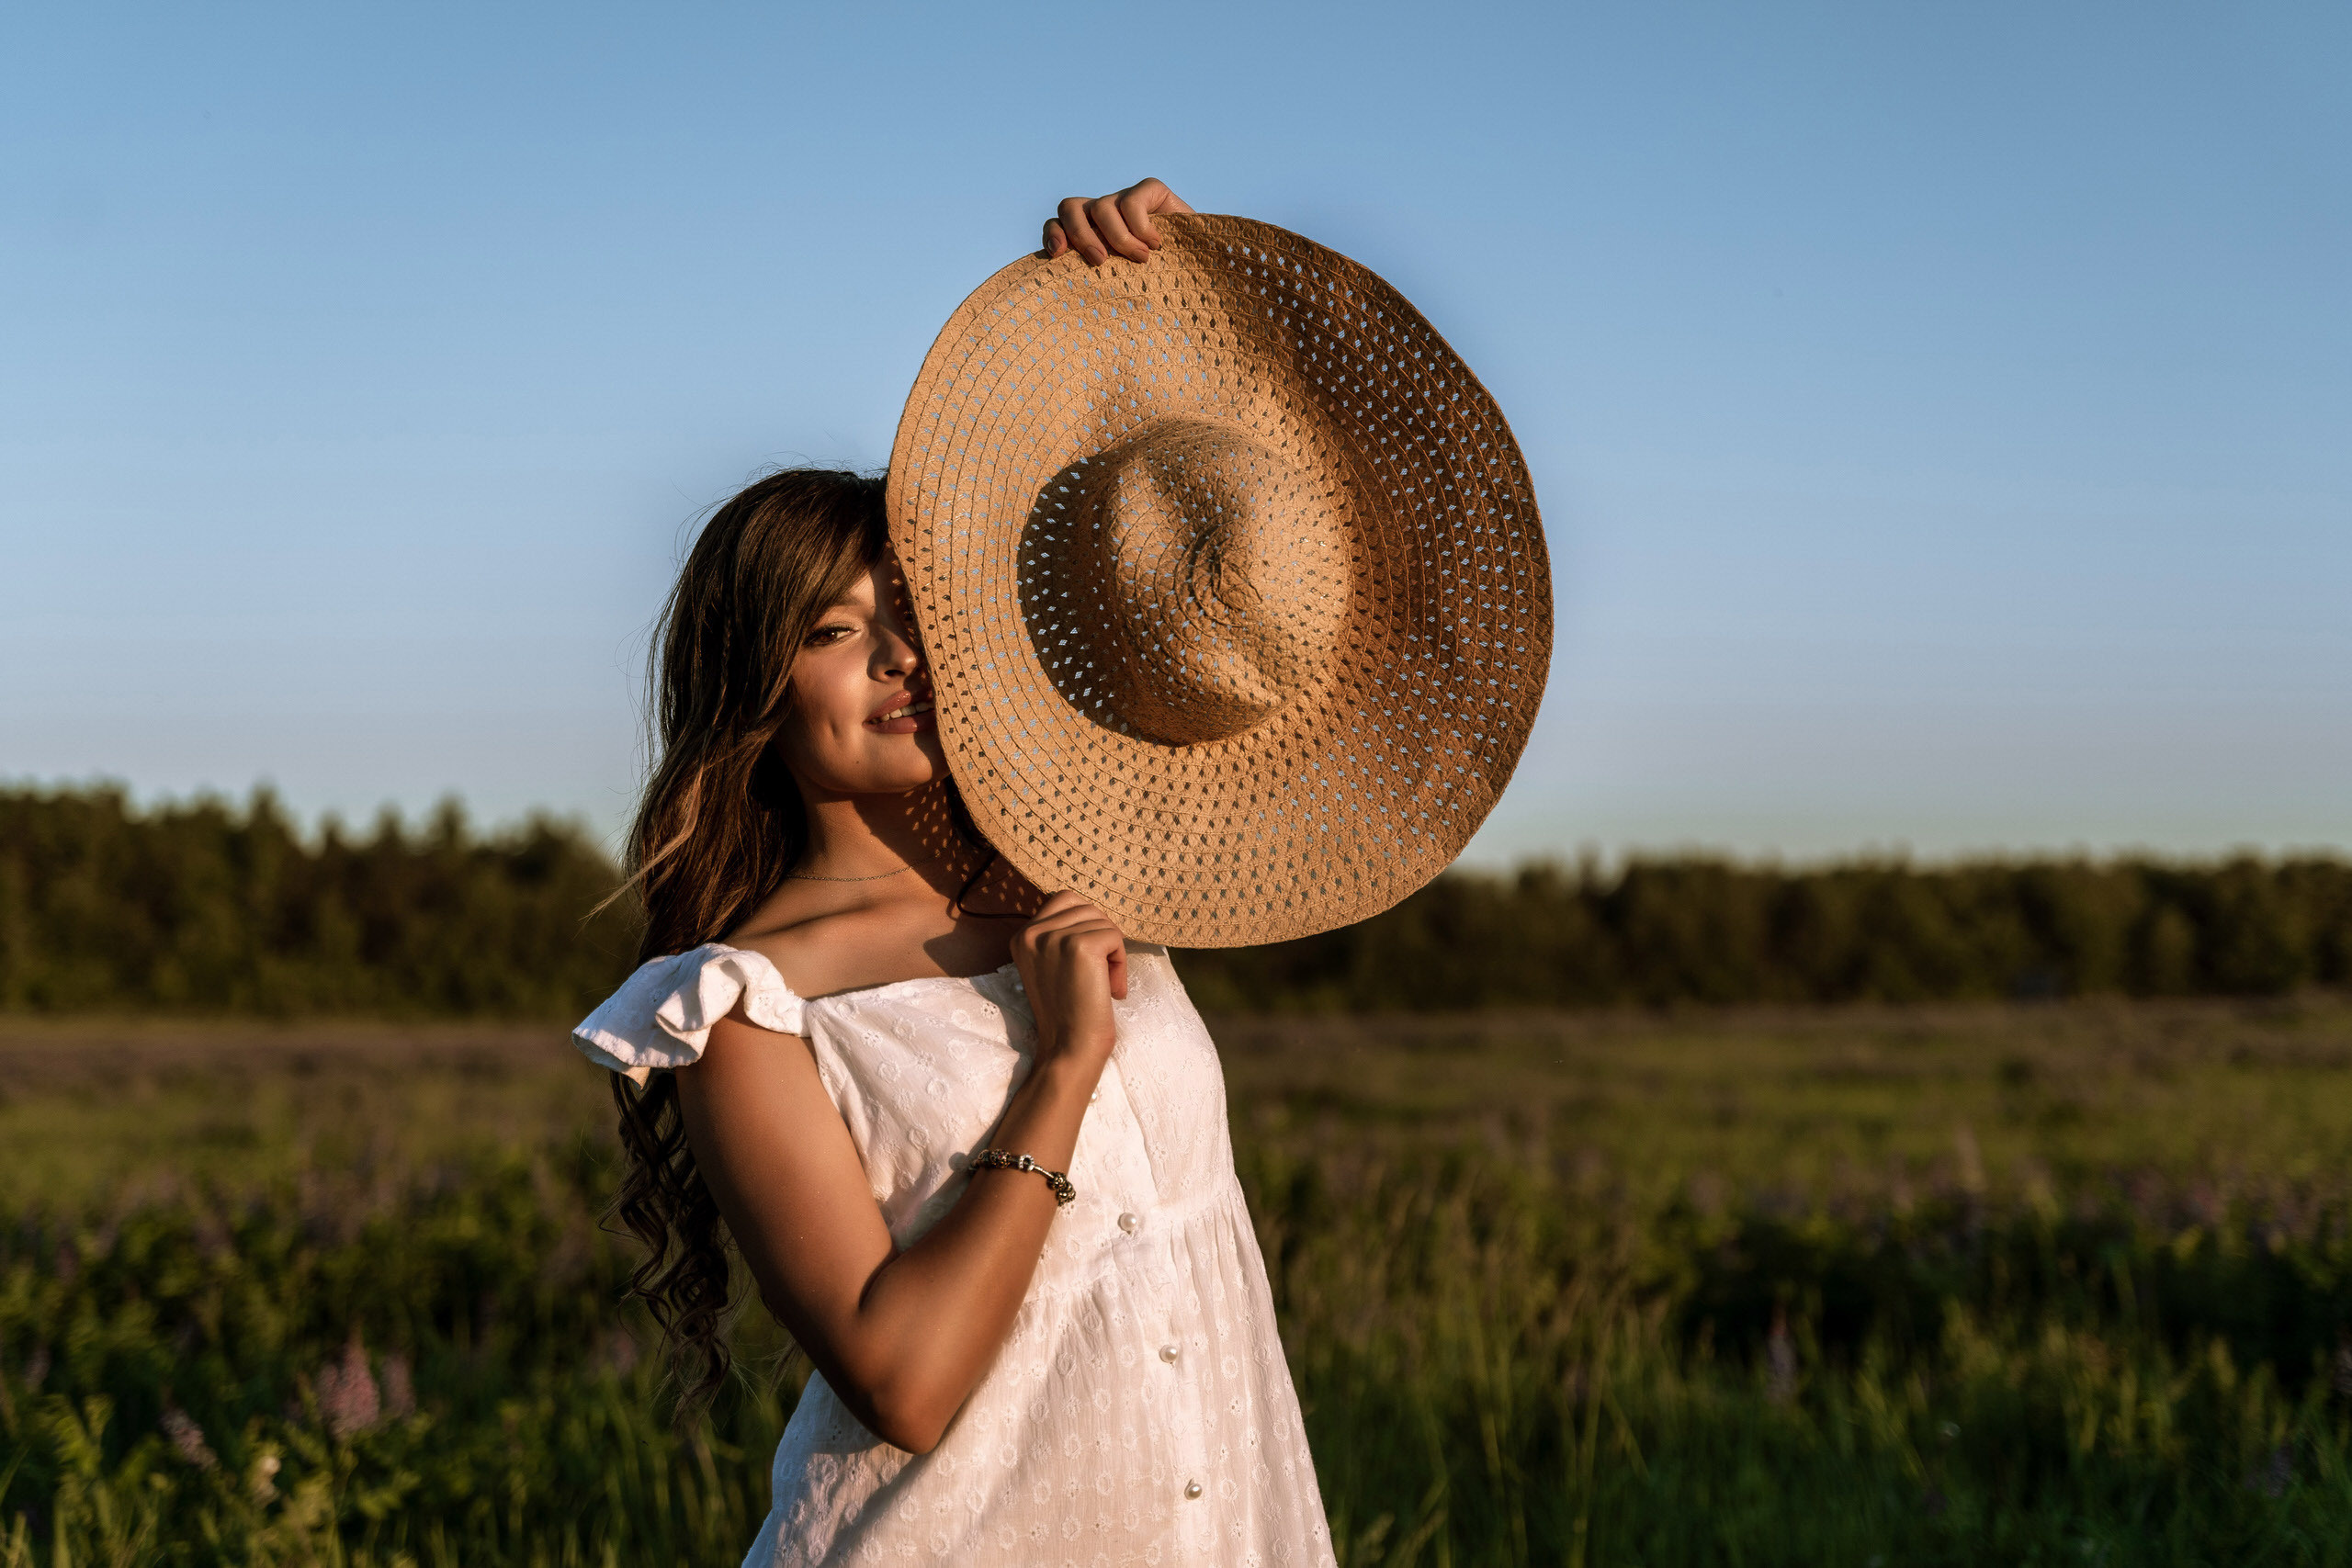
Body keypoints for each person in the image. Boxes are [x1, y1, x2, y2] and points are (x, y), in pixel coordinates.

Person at [576, 181, 1343, 1566]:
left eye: (917, 611)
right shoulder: (748, 1008)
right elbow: (905, 1382)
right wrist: (1065, 1065)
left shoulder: (1087, 859)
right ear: (755, 690)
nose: (899, 657)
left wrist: (1135, 303)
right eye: (832, 631)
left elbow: (1228, 570)